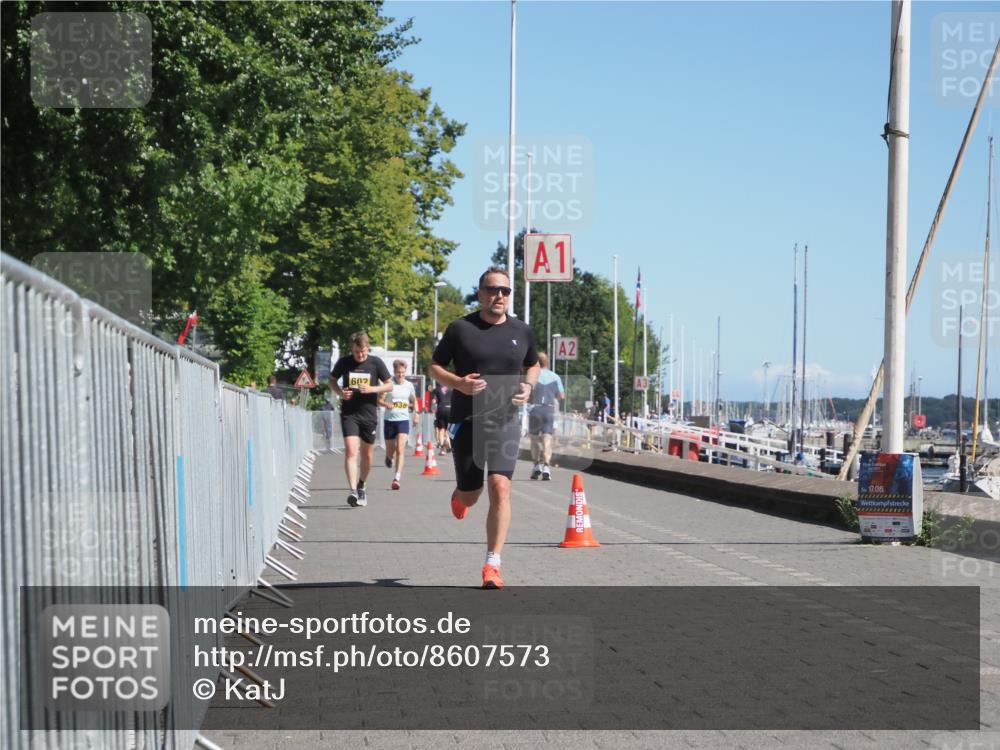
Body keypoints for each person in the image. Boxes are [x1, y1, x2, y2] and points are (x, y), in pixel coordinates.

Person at [429, 267, 539, 589]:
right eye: (493, 290)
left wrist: (528, 387)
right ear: (480, 294)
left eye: (505, 291)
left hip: (505, 420)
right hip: (467, 421)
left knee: (500, 487)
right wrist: (457, 384)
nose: (499, 296)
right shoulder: (460, 329)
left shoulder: (522, 331)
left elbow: (531, 364)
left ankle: (492, 564)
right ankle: (460, 497)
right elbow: (434, 366)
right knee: (472, 492)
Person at [329, 331, 392, 507]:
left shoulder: (376, 363)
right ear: (352, 349)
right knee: (351, 451)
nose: (360, 355)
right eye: (357, 352)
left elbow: (389, 385)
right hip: (350, 413)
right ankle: (353, 491)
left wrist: (372, 389)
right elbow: (332, 380)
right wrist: (341, 393)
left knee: (367, 455)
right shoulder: (344, 362)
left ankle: (362, 484)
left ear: (367, 349)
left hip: (369, 414)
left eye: (363, 351)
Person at [379, 360, 418, 490]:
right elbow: (379, 400)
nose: (400, 375)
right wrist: (386, 404)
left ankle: (397, 478)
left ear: (405, 372)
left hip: (403, 420)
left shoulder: (409, 386)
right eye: (398, 372)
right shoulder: (388, 384)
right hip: (389, 421)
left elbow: (414, 400)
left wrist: (416, 413)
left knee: (401, 449)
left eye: (402, 372)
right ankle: (388, 457)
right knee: (391, 450)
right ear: (394, 372)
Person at [528, 352, 564, 480]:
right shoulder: (555, 377)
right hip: (549, 410)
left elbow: (526, 392)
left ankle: (536, 465)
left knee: (534, 439)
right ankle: (547, 467)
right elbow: (561, 396)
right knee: (547, 439)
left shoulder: (532, 376)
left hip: (535, 409)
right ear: (547, 362)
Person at [431, 380, 453, 453]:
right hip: (450, 409)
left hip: (441, 409)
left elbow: (433, 402)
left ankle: (442, 446)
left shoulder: (436, 390)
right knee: (448, 429)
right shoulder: (451, 389)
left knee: (441, 429)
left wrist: (433, 410)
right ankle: (449, 445)